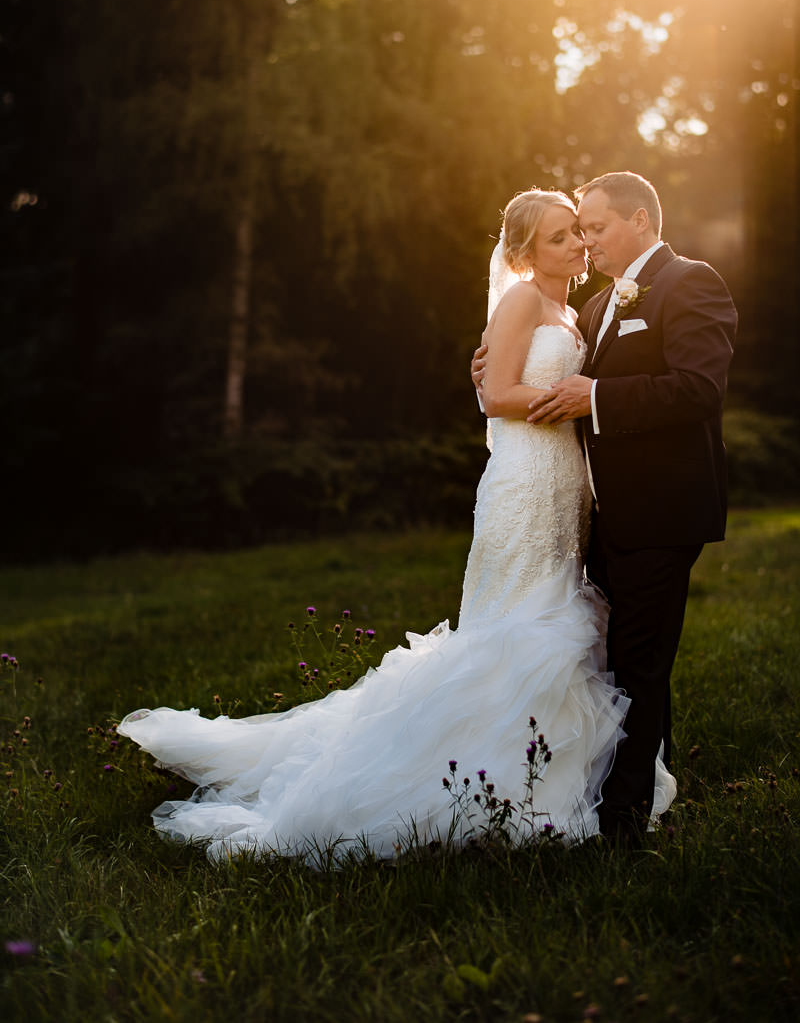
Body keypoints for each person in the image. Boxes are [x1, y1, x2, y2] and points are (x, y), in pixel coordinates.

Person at [119, 189, 672, 864]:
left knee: (554, 611)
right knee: (515, 624)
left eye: (578, 234)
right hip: (526, 481)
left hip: (565, 483)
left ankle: (557, 772)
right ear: (525, 252)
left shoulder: (573, 310)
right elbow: (497, 395)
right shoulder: (524, 299)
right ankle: (471, 771)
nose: (577, 245)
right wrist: (563, 397)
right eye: (560, 236)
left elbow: (523, 379)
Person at [473, 171, 737, 844]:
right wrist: (491, 373)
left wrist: (596, 398)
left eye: (595, 228)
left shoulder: (691, 283)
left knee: (639, 659)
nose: (587, 242)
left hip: (661, 508)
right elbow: (541, 375)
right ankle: (635, 784)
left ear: (640, 221)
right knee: (615, 658)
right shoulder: (591, 310)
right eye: (576, 231)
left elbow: (698, 388)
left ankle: (621, 824)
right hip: (597, 509)